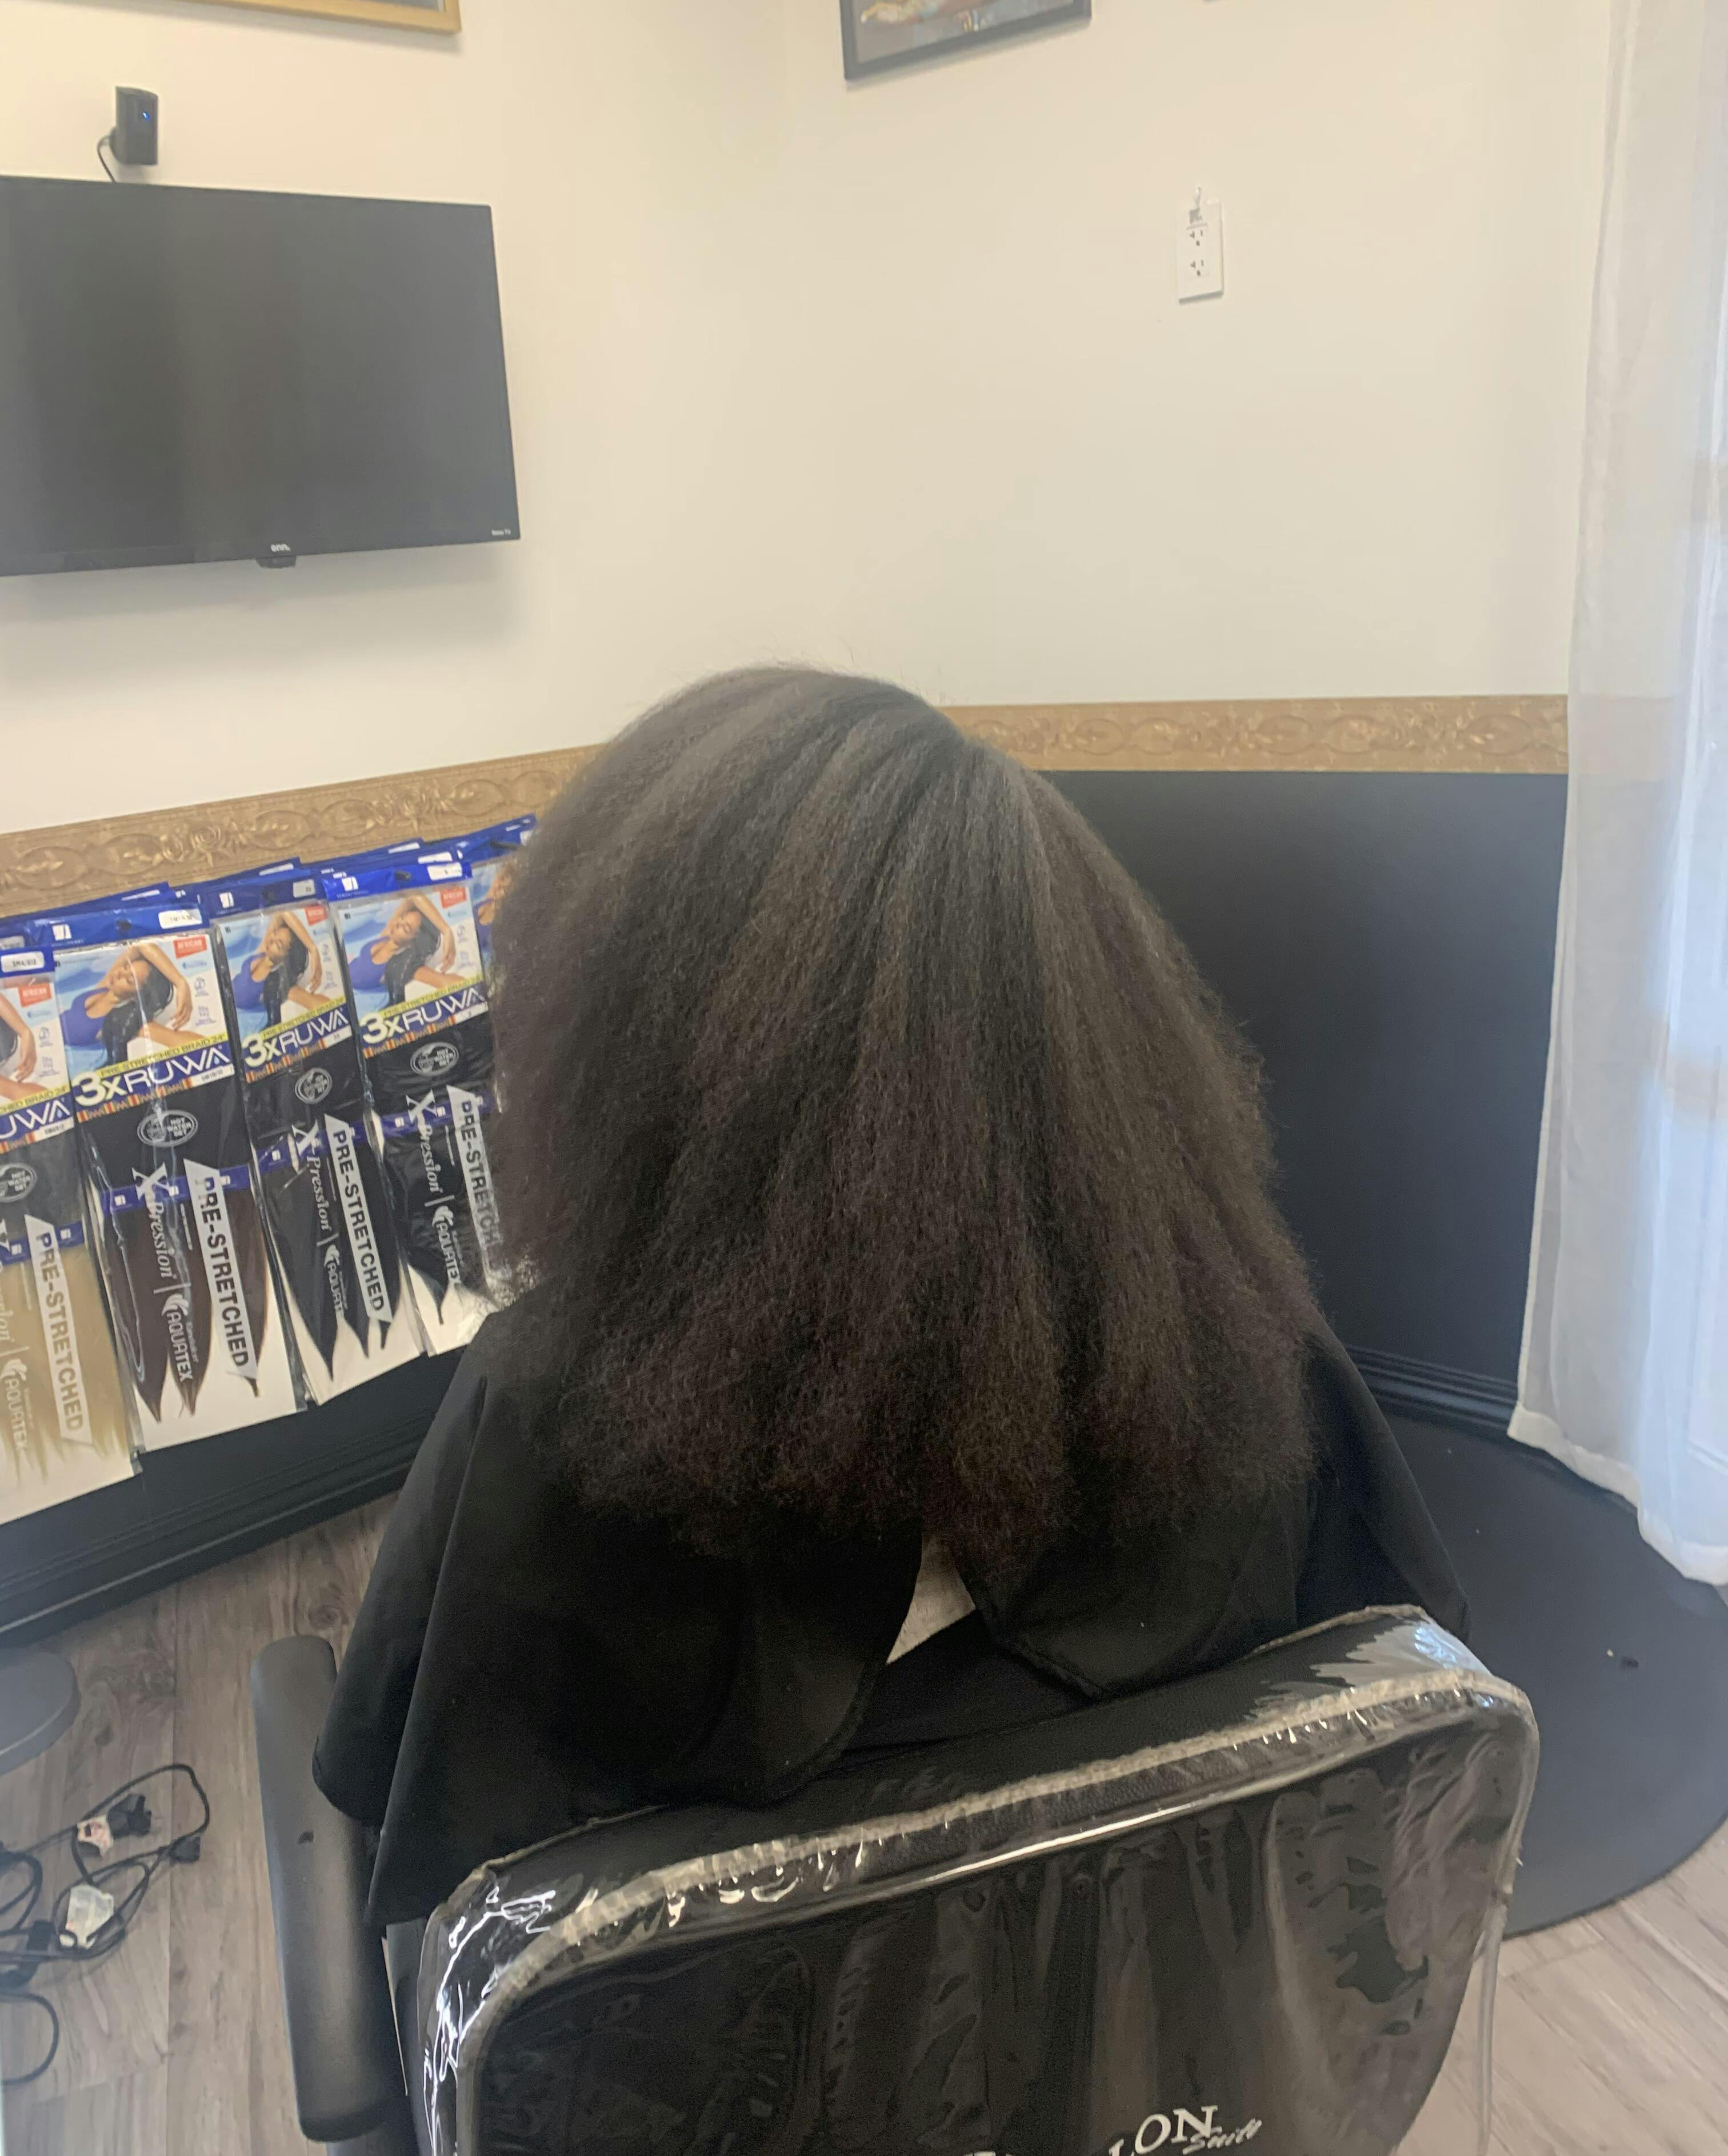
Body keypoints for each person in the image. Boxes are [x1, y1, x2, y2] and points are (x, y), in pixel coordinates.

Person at [314, 668, 1465, 1928]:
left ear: (618, 1048)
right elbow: (1393, 1765)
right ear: (1103, 1037)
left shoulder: (544, 1428)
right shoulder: (1251, 1355)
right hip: (1160, 2042)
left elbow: (420, 1849)